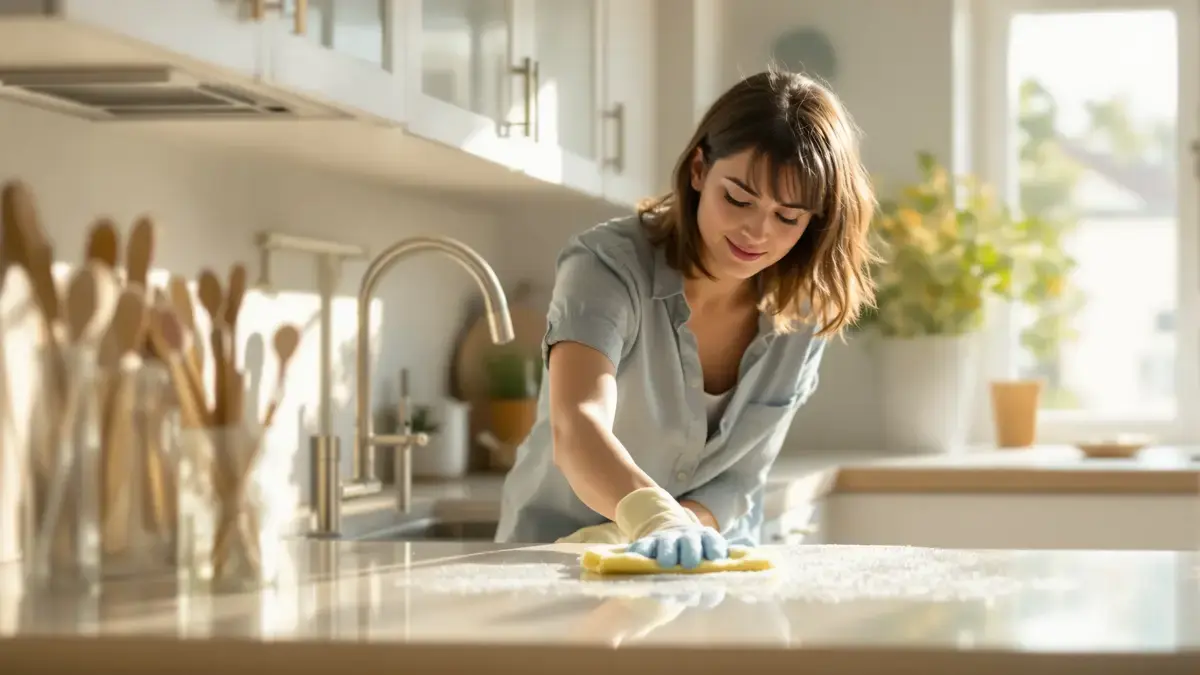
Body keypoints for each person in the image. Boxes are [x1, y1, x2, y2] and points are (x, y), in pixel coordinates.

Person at [494, 67, 876, 569]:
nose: (756, 231)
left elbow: (739, 478)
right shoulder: (607, 264)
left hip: (704, 565)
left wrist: (681, 529)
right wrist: (651, 519)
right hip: (554, 561)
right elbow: (577, 424)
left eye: (788, 217)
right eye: (738, 198)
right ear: (699, 170)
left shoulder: (805, 310)